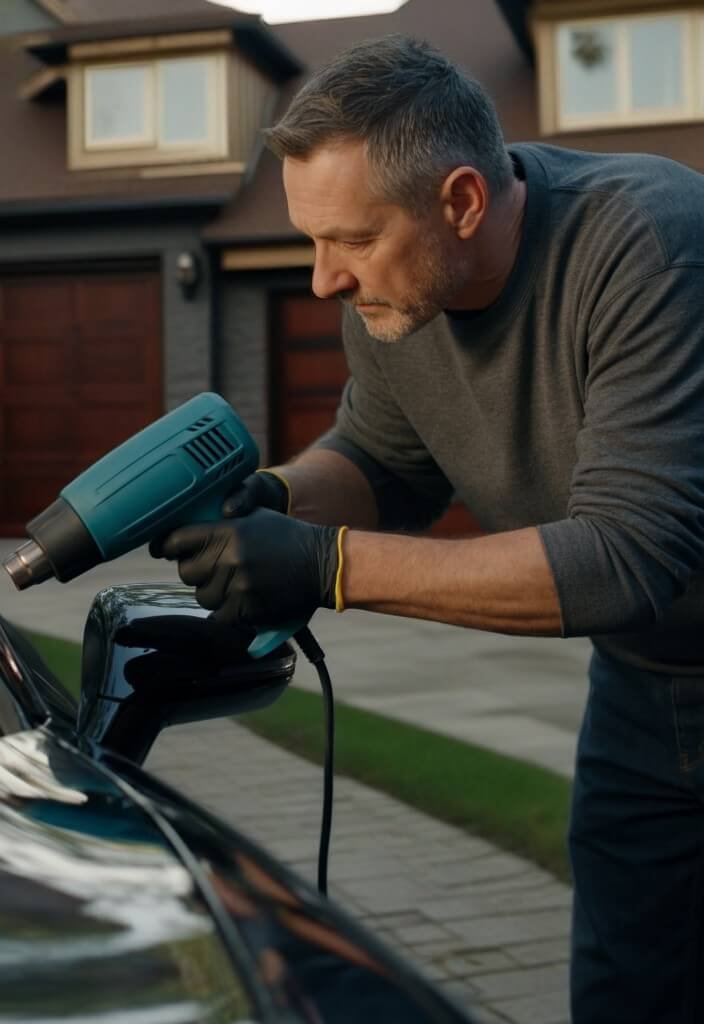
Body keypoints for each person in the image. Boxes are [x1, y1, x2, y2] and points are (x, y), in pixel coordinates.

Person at [151, 34, 704, 1024]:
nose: (323, 281)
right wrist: (272, 501)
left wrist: (325, 565)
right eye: (311, 241)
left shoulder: (648, 241)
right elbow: (382, 460)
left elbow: (631, 555)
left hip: (655, 616)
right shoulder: (398, 295)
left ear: (460, 201)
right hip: (644, 689)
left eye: (351, 243)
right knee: (628, 991)